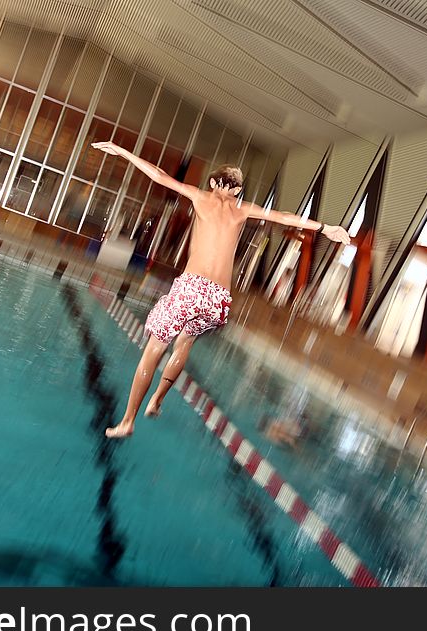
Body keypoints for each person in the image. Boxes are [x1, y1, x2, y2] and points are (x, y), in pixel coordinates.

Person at [91, 141, 350, 438]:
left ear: (213, 182)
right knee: (185, 344)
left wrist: (121, 150)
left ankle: (127, 421)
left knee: (154, 349)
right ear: (238, 191)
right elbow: (284, 217)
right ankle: (158, 399)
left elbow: (159, 176)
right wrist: (325, 228)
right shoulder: (243, 211)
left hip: (191, 288)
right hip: (218, 299)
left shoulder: (201, 198)